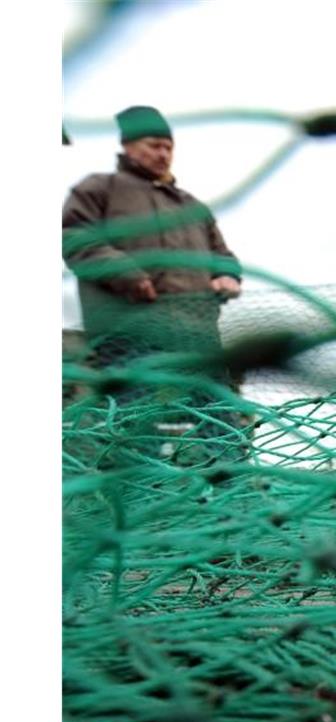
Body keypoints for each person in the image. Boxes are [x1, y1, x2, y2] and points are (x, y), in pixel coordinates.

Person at [62, 105, 244, 462]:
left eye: (167, 146)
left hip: (195, 332)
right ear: (128, 146)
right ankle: (137, 497)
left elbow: (223, 255)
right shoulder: (99, 188)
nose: (162, 154)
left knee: (218, 414)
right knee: (136, 417)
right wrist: (129, 275)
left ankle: (235, 488)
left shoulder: (193, 206)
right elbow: (75, 239)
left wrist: (227, 275)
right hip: (129, 330)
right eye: (153, 145)